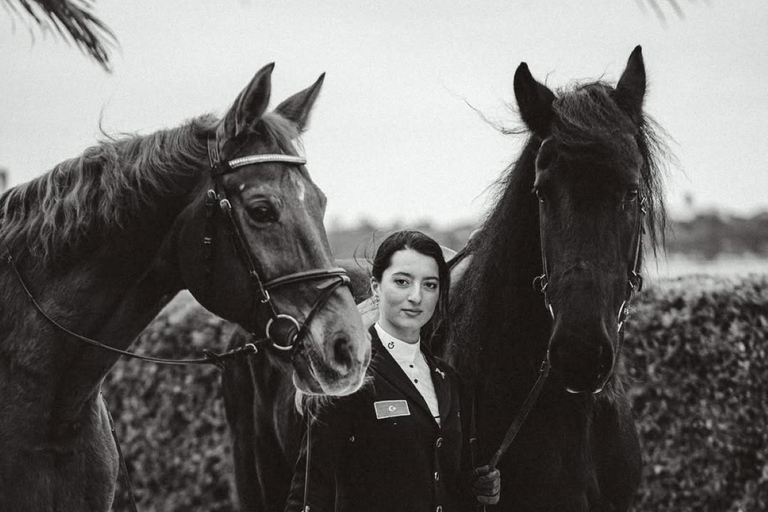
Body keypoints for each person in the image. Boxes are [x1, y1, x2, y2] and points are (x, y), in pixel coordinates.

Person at [285, 229, 500, 512]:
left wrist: (478, 487)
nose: (416, 297)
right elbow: (310, 491)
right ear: (376, 287)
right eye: (402, 282)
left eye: (430, 285)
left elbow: (447, 483)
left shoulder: (451, 382)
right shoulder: (349, 375)